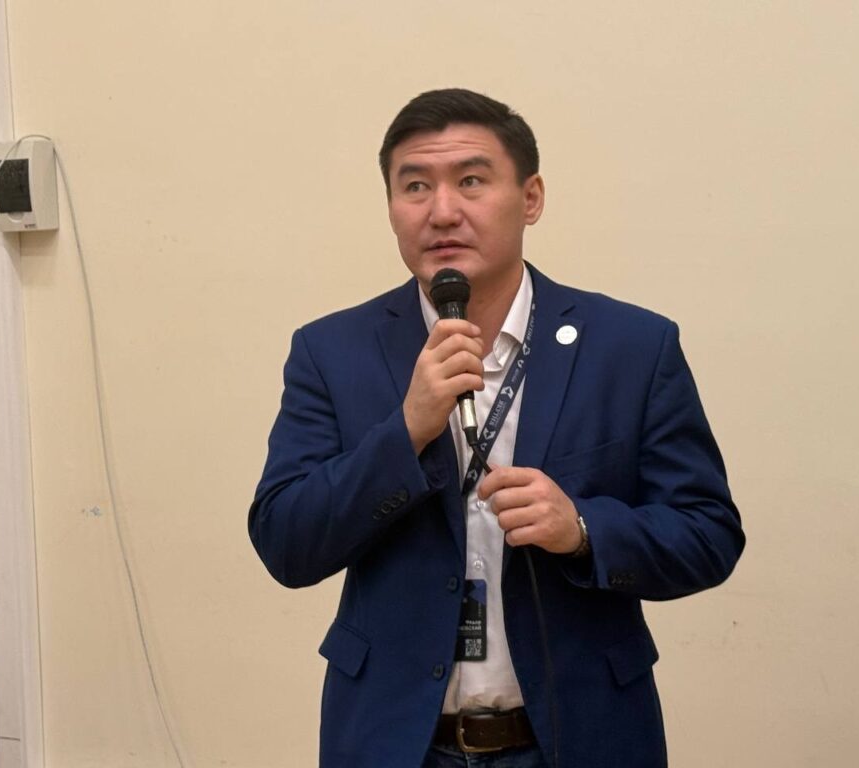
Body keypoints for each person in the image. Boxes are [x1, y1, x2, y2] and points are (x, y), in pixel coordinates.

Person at [249, 88, 744, 768]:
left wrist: (583, 530)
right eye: (415, 186)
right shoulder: (332, 352)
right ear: (390, 206)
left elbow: (708, 535)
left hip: (579, 738)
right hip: (397, 742)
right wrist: (406, 431)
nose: (442, 210)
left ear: (530, 198)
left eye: (472, 181)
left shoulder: (631, 346)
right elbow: (286, 544)